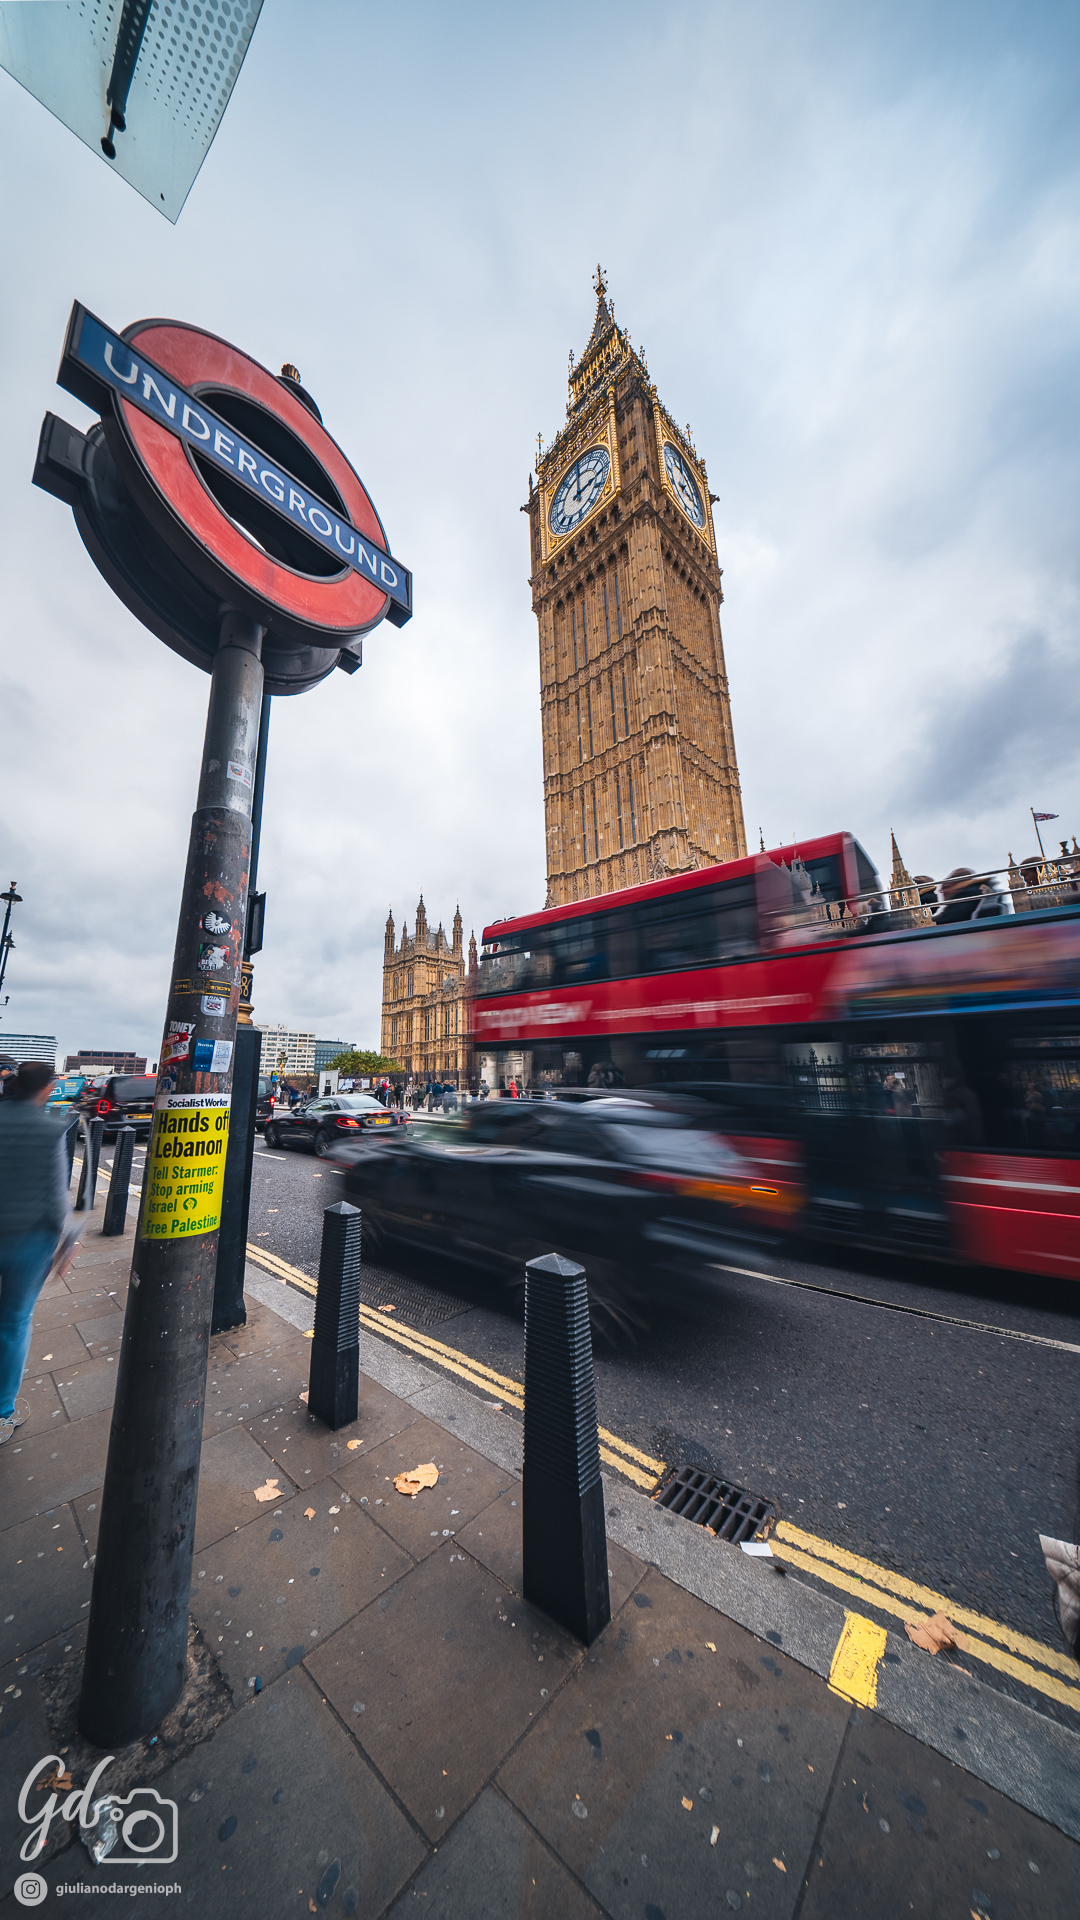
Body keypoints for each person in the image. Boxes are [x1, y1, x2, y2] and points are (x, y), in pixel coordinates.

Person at [0, 1062, 81, 1444]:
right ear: (47, 1088)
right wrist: (68, 1241)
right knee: (13, 1322)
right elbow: (55, 1198)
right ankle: (2, 1413)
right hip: (30, 1241)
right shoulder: (50, 1129)